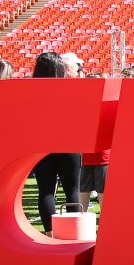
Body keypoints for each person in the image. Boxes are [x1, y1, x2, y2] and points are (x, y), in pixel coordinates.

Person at [30, 52, 82, 234]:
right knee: (72, 190)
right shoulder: (70, 89)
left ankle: (50, 233)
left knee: (45, 190)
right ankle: (74, 232)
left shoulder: (30, 91)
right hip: (69, 142)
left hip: (42, 144)